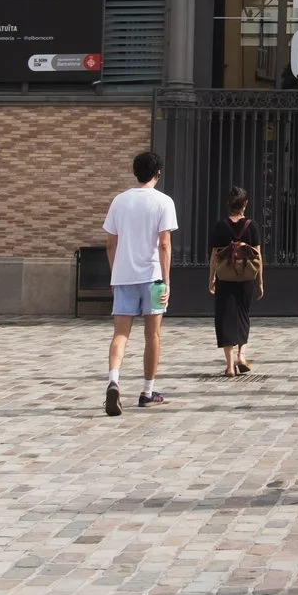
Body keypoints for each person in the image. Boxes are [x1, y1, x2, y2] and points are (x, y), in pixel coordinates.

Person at [99, 149, 176, 414]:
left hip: (123, 276)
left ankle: (113, 380)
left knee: (120, 333)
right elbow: (164, 244)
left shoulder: (119, 201)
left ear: (135, 172)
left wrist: (115, 273)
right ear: (158, 173)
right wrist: (166, 280)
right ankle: (147, 390)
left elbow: (111, 244)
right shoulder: (163, 202)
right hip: (153, 278)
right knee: (152, 334)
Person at [208, 188, 262, 377]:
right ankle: (242, 355)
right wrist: (260, 281)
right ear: (245, 204)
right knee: (243, 315)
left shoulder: (220, 226)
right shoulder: (252, 225)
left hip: (225, 277)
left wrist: (211, 278)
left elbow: (214, 256)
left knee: (225, 317)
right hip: (247, 276)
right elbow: (258, 256)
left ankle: (230, 366)